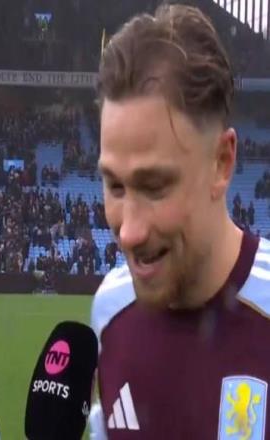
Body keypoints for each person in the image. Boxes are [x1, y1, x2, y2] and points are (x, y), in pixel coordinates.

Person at [90, 5, 270, 439]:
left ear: (221, 162)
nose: (129, 232)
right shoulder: (109, 310)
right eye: (115, 186)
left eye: (155, 187)